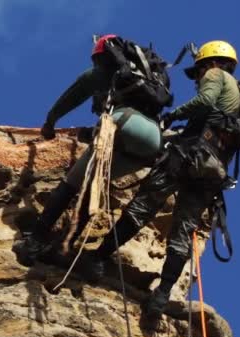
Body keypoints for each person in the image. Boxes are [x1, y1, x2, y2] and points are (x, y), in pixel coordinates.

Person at [82, 40, 240, 318]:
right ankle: (161, 297)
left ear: (208, 62)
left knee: (142, 207)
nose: (198, 78)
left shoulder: (216, 75)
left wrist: (173, 117)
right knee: (182, 234)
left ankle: (98, 257)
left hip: (189, 155)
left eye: (198, 71)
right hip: (212, 168)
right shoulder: (239, 96)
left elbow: (205, 100)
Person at [15, 34, 170, 265]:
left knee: (72, 184)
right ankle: (61, 249)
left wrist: (50, 123)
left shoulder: (104, 73)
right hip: (152, 142)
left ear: (102, 57)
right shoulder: (148, 79)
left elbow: (70, 98)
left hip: (124, 122)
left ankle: (36, 240)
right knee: (94, 187)